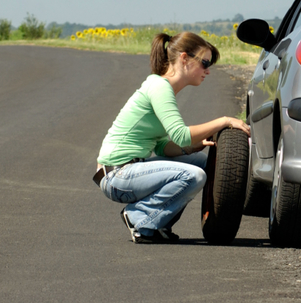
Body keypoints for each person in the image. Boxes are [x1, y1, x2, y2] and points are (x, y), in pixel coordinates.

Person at [94, 31, 250, 243]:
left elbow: (161, 146)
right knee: (193, 176)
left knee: (200, 162)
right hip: (117, 176)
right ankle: (140, 218)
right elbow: (181, 134)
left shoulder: (161, 87)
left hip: (129, 170)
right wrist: (224, 121)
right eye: (204, 63)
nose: (208, 71)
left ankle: (157, 223)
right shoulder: (159, 87)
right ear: (184, 59)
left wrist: (189, 149)